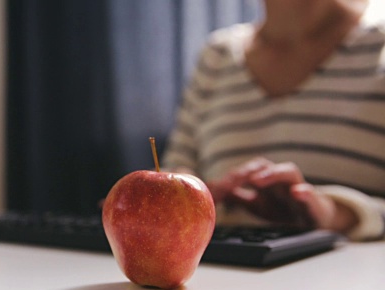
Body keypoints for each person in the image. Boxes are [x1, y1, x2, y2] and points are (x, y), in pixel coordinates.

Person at [161, 0, 385, 241]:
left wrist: (338, 214)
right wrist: (186, 195)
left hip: (352, 276)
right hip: (222, 273)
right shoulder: (218, 54)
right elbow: (175, 168)